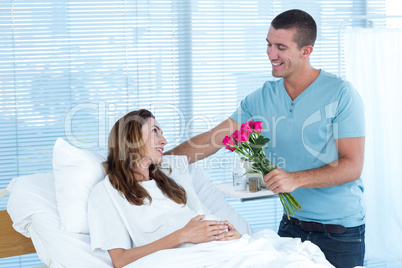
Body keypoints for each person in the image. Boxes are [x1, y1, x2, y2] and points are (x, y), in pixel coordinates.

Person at [165, 9, 365, 268]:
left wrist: (295, 179)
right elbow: (213, 139)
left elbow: (352, 165)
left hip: (339, 234)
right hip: (290, 228)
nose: (271, 54)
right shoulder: (261, 98)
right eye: (269, 45)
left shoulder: (341, 94)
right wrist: (157, 162)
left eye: (281, 47)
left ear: (306, 51)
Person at [87, 109, 333, 268]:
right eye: (154, 132)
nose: (164, 140)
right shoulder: (107, 193)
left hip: (225, 249)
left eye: (161, 132)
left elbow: (202, 217)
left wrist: (230, 233)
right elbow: (119, 260)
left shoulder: (171, 179)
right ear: (131, 140)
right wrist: (183, 236)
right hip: (187, 258)